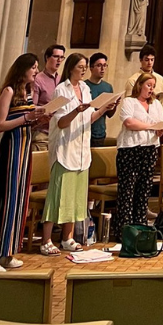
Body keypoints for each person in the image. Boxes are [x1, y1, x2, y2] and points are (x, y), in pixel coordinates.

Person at [40, 54, 115, 256]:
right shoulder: (61, 90)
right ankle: (46, 239)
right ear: (71, 67)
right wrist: (76, 110)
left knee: (74, 198)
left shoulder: (85, 89)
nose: (83, 70)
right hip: (64, 150)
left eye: (85, 67)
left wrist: (104, 109)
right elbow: (60, 122)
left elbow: (88, 118)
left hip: (81, 151)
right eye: (80, 66)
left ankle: (68, 237)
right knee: (58, 196)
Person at [0, 53, 50, 269]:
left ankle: (9, 251)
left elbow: (26, 122)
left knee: (20, 201)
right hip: (11, 150)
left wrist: (39, 119)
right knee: (7, 201)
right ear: (22, 69)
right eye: (33, 67)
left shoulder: (29, 92)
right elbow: (0, 125)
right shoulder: (9, 91)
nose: (36, 70)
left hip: (25, 150)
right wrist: (26, 118)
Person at [116, 72, 163, 231]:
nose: (151, 89)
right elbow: (129, 123)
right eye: (148, 85)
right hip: (130, 150)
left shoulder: (156, 104)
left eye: (153, 86)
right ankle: (124, 230)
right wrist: (151, 127)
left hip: (149, 149)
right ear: (139, 85)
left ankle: (140, 227)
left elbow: (159, 123)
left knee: (143, 191)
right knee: (127, 191)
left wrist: (160, 130)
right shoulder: (129, 102)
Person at [31, 44, 65, 151]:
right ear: (47, 57)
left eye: (61, 57)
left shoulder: (62, 79)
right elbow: (32, 106)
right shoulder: (37, 79)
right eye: (56, 57)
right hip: (42, 134)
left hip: (59, 133)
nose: (59, 60)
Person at [126, 44, 163, 117]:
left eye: (152, 60)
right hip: (139, 115)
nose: (149, 63)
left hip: (156, 115)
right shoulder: (133, 80)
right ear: (141, 60)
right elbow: (128, 102)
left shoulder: (160, 79)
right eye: (147, 60)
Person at [85, 53, 117, 148]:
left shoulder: (107, 87)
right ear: (91, 68)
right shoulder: (84, 86)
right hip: (86, 130)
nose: (102, 69)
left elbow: (109, 114)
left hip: (100, 133)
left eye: (104, 65)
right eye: (99, 65)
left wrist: (114, 105)